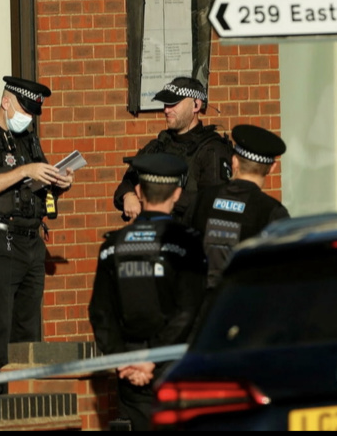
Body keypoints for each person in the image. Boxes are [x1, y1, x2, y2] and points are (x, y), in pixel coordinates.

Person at [0, 76, 74, 396]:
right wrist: (25, 171)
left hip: (31, 243)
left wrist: (58, 182)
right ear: (6, 101)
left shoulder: (28, 140)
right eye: (24, 108)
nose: (28, 117)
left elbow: (33, 191)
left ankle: (24, 402)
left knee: (27, 333)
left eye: (33, 112)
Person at [90, 153, 208, 431]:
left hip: (130, 374)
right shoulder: (187, 244)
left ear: (139, 192)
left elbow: (100, 313)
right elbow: (190, 311)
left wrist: (125, 361)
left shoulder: (112, 245)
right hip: (173, 369)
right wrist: (151, 359)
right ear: (177, 194)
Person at [113, 76, 234, 223]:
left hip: (190, 239)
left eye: (173, 104)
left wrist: (166, 196)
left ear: (196, 105)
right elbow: (128, 181)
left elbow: (215, 205)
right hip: (155, 237)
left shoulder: (212, 150)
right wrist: (128, 196)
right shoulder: (159, 145)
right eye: (165, 104)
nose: (166, 110)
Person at [185, 124, 290, 290]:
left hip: (203, 307)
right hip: (246, 307)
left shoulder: (202, 199)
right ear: (272, 168)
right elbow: (283, 271)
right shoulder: (271, 212)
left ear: (234, 161)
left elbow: (185, 254)